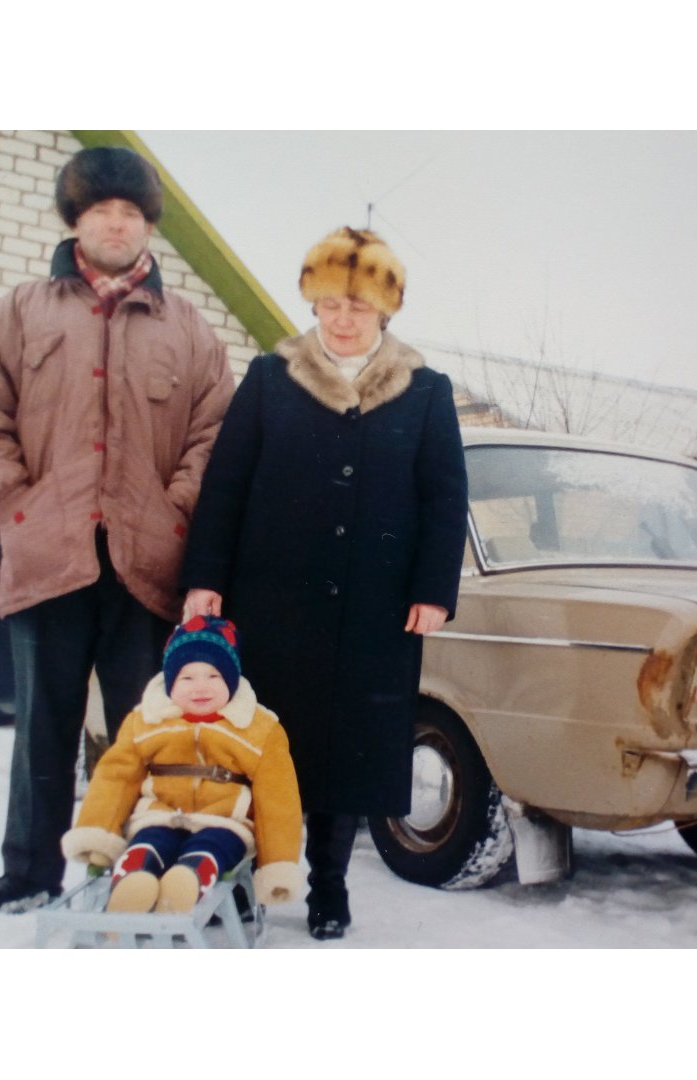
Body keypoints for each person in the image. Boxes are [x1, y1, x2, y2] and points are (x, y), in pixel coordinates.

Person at [0, 146, 235, 915]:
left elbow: (215, 433)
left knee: (146, 733)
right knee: (43, 729)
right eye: (101, 210)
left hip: (146, 564)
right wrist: (16, 501)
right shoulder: (19, 314)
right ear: (76, 220)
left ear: (148, 227)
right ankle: (28, 873)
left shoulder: (190, 330)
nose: (116, 223)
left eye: (131, 212)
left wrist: (177, 506)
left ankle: (138, 869)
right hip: (51, 558)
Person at [181, 226, 468, 940]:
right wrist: (206, 578)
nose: (343, 319)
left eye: (359, 306)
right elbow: (225, 484)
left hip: (375, 609)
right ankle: (246, 879)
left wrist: (433, 590)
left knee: (348, 754)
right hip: (273, 602)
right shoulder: (270, 379)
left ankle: (329, 887)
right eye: (331, 304)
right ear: (313, 305)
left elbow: (444, 496)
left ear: (385, 312)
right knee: (260, 744)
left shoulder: (426, 391)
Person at [60, 616, 303, 913]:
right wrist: (98, 831)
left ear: (231, 680)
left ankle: (185, 883)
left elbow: (278, 799)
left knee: (211, 849)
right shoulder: (147, 720)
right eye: (187, 678)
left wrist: (278, 862)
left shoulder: (258, 728)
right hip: (158, 815)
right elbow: (116, 778)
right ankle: (132, 882)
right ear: (170, 682)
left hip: (225, 822)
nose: (201, 687)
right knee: (148, 842)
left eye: (214, 676)